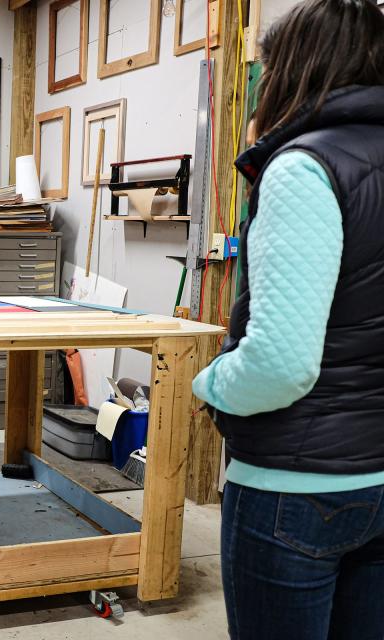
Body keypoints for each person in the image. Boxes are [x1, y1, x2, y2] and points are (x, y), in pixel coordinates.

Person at [191, 1, 384, 637]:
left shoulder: (306, 167)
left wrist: (212, 384)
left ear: (296, 69)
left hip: (295, 488)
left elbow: (278, 364)